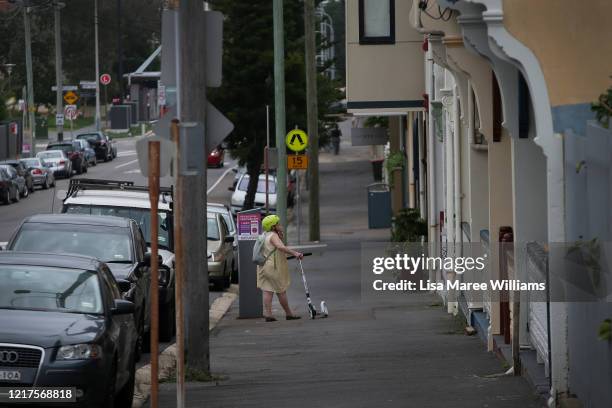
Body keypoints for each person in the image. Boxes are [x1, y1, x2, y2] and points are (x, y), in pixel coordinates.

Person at [257, 214, 304, 322]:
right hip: (273, 267)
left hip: (264, 266)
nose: (280, 225)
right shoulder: (273, 236)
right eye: (277, 223)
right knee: (281, 290)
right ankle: (289, 314)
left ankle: (269, 315)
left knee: (268, 290)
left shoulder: (264, 235)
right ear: (273, 226)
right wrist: (295, 253)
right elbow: (280, 247)